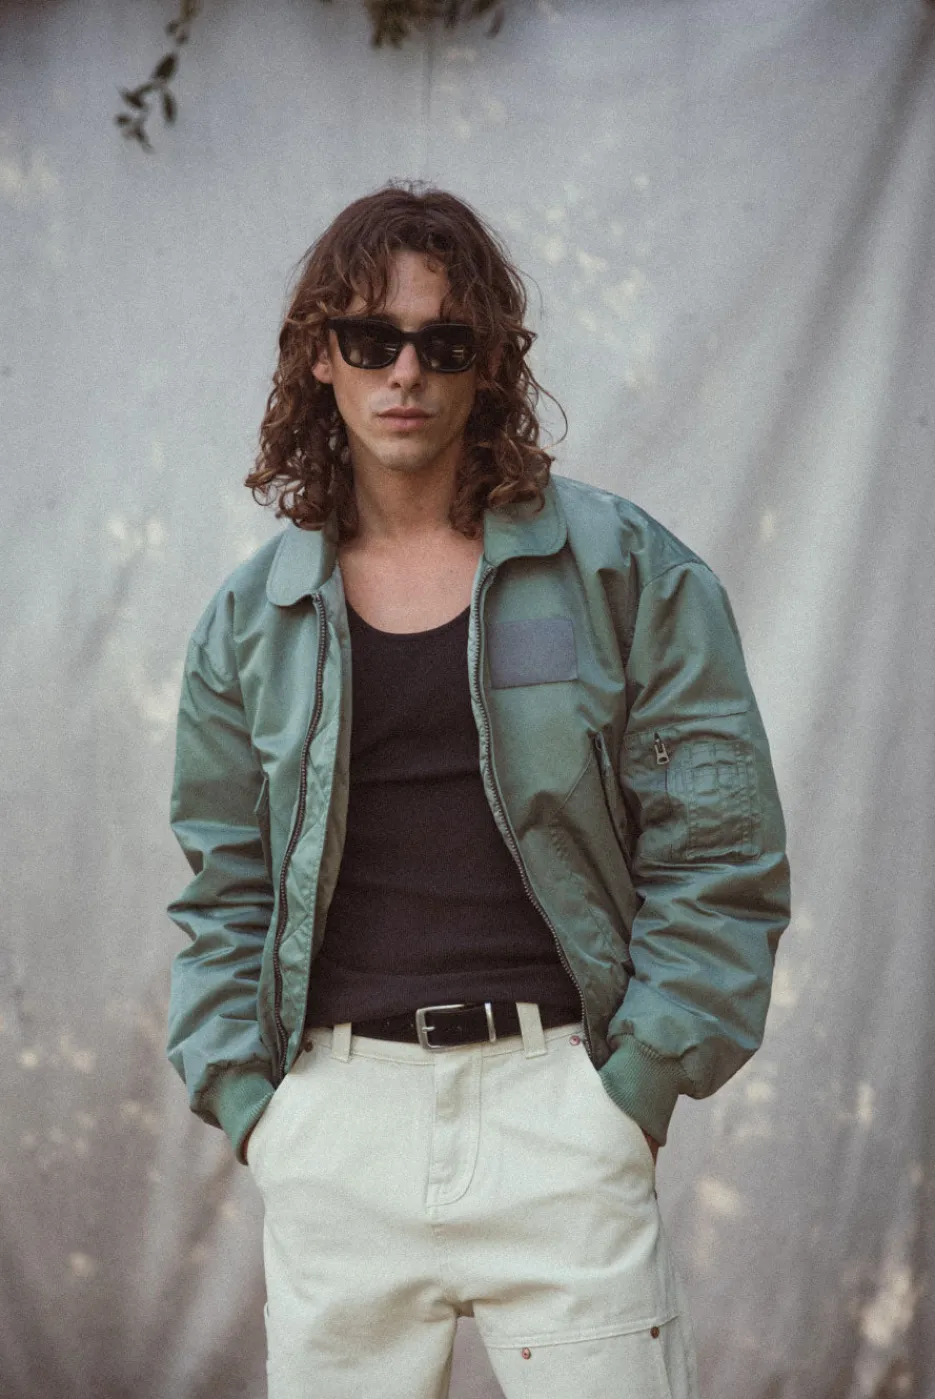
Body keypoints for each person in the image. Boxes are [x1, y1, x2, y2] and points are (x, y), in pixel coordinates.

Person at [165, 181, 791, 1399]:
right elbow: (224, 885)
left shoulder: (622, 571)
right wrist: (256, 1107)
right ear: (320, 359)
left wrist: (633, 1091)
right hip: (336, 1130)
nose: (405, 372)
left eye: (442, 343)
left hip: (559, 1113)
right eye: (370, 339)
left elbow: (717, 845)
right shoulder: (251, 623)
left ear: (488, 364)